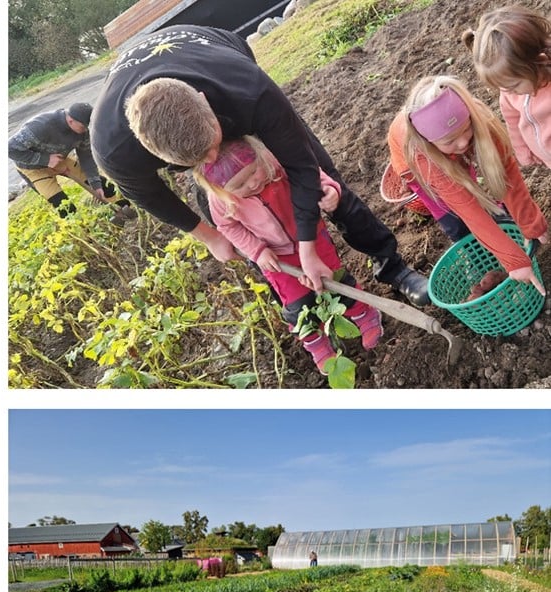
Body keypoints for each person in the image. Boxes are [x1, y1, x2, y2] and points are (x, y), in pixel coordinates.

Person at [90, 25, 430, 306]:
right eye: (197, 161)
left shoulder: (248, 89)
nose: (212, 159)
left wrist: (308, 247)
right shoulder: (113, 149)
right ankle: (298, 302)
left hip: (219, 66)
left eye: (210, 147)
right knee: (232, 220)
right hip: (180, 113)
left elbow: (302, 168)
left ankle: (393, 268)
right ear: (156, 155)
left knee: (329, 186)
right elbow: (149, 195)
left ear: (207, 105)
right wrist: (208, 236)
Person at [193, 136, 383, 375]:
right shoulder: (221, 202)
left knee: (334, 280)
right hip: (275, 257)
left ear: (260, 156)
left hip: (311, 238)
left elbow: (311, 175)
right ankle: (316, 342)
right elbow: (229, 228)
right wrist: (257, 251)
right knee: (297, 304)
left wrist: (330, 190)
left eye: (253, 173)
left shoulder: (277, 164)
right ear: (221, 190)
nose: (251, 184)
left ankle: (363, 312)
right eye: (239, 186)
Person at [387, 75, 548, 293]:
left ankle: (503, 229)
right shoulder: (424, 158)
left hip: (447, 156)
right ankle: (477, 254)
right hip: (415, 169)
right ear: (431, 142)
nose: (463, 142)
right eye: (450, 140)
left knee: (474, 184)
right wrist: (515, 262)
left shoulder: (480, 122)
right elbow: (468, 209)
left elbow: (508, 177)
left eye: (465, 129)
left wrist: (530, 223)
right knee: (454, 217)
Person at [9, 102, 136, 223]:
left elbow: (86, 157)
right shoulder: (40, 126)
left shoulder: (83, 131)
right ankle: (84, 233)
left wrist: (96, 184)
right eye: (83, 127)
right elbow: (10, 149)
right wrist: (45, 160)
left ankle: (127, 212)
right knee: (63, 205)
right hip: (33, 168)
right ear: (70, 121)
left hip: (60, 159)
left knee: (102, 186)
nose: (85, 130)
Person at [464, 5, 551, 170]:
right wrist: (522, 150)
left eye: (514, 85)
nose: (509, 91)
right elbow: (513, 122)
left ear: (539, 61)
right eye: (501, 86)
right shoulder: (509, 91)